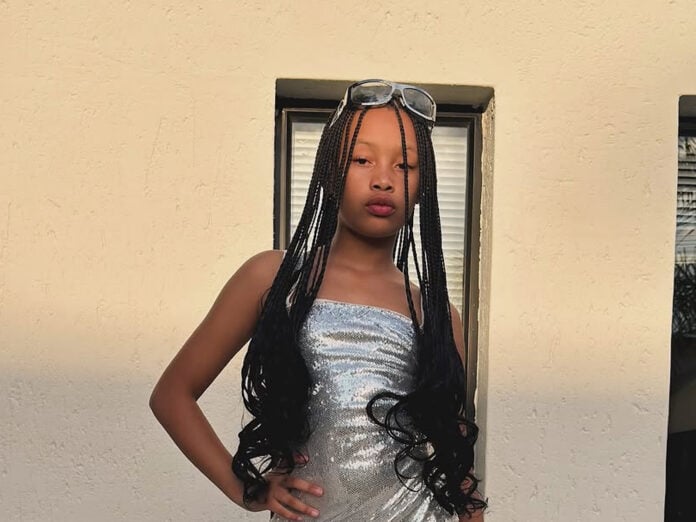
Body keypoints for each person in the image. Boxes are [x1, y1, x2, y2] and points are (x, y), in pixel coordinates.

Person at [150, 79, 487, 521]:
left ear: (423, 186)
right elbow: (172, 395)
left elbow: (455, 461)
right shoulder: (276, 279)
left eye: (404, 165)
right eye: (362, 159)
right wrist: (248, 490)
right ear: (329, 171)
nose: (383, 179)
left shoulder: (435, 314)